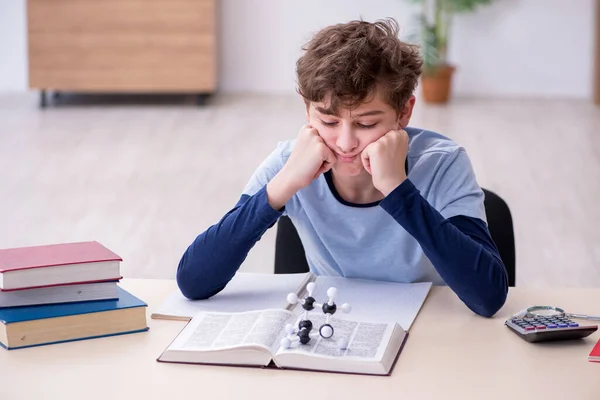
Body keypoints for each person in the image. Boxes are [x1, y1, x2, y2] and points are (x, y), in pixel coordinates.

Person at [176, 18, 508, 317]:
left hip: (428, 333)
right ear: (307, 111)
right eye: (329, 121)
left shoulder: (443, 164)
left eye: (366, 123)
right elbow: (194, 281)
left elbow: (488, 297)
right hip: (333, 328)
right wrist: (282, 186)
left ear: (404, 113)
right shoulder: (287, 163)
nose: (345, 142)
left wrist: (397, 189)